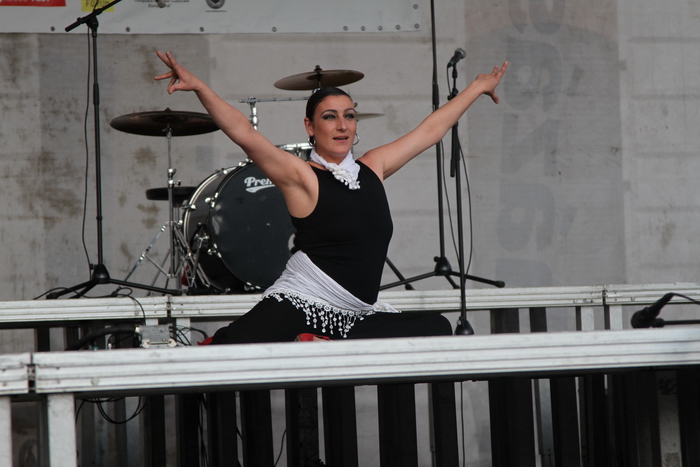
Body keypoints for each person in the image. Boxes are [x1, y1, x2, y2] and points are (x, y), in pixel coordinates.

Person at [155, 51, 508, 344]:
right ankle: (309, 338)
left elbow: (431, 130)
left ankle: (323, 342)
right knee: (225, 350)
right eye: (329, 117)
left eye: (349, 116)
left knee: (436, 327)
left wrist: (476, 88)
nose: (342, 125)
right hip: (302, 303)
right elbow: (244, 133)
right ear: (310, 126)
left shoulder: (374, 167)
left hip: (355, 316)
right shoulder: (303, 177)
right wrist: (200, 87)